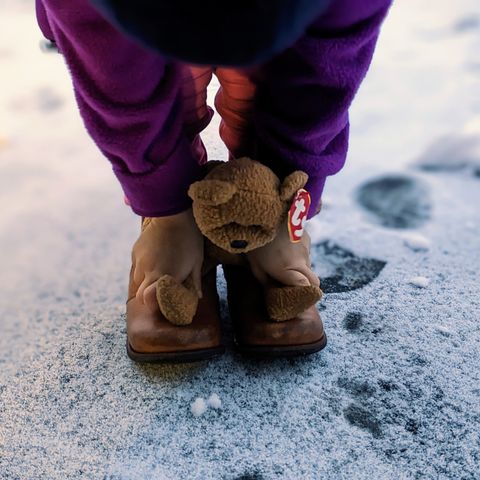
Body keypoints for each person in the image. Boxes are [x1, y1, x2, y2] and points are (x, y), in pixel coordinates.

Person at [36, 0, 392, 362]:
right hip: (116, 17)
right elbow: (115, 76)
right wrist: (164, 202)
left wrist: (283, 192)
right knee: (169, 79)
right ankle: (170, 224)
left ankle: (258, 206)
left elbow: (327, 71)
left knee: (262, 80)